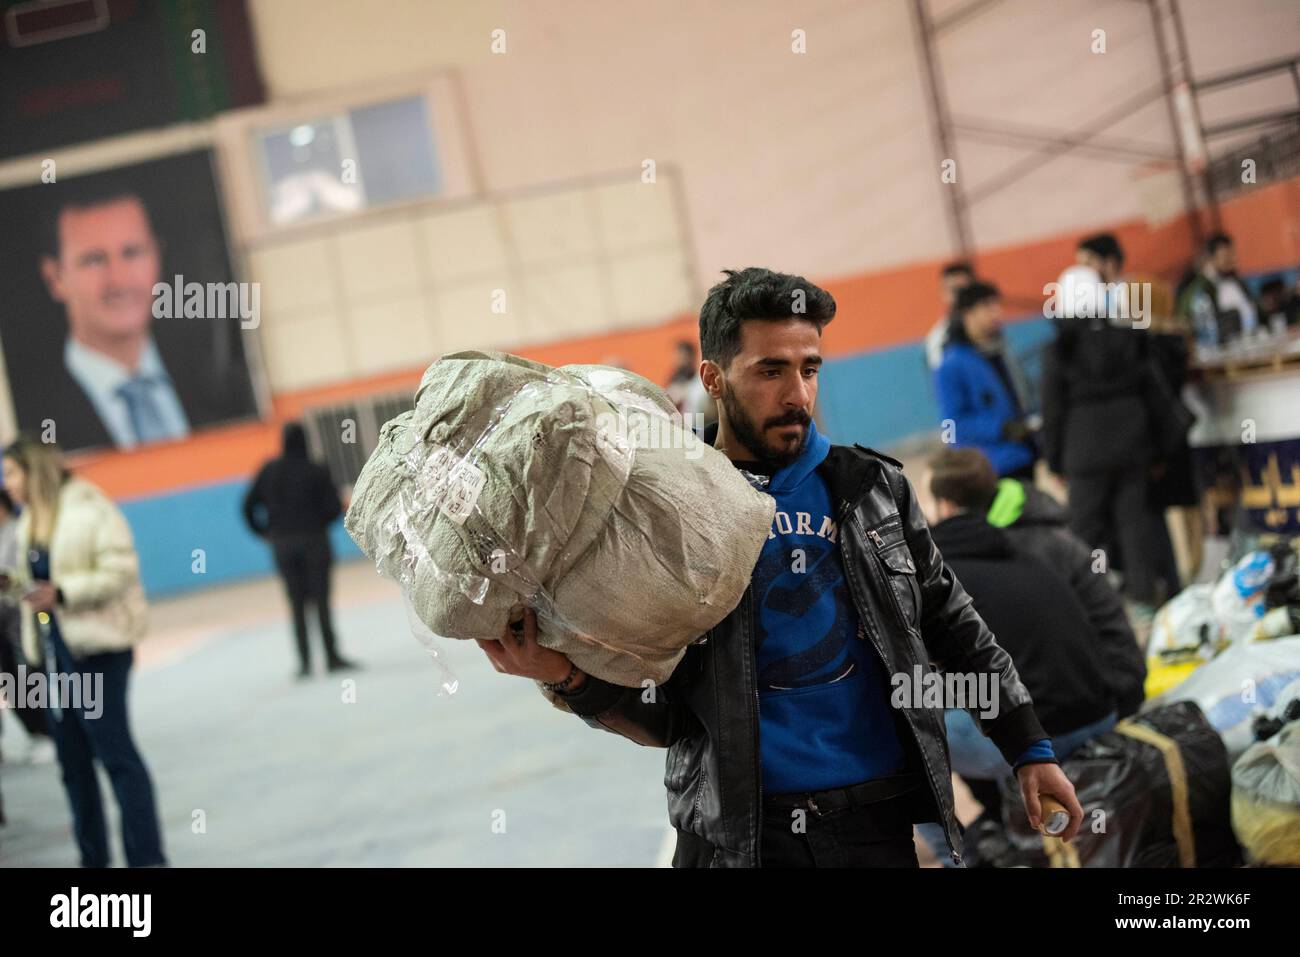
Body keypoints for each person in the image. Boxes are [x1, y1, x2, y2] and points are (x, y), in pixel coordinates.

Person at [476, 266, 1082, 868]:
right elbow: (667, 716)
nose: (797, 394)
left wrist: (1029, 746)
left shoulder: (872, 488)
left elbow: (955, 626)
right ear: (713, 378)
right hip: (740, 837)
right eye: (770, 371)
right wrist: (566, 677)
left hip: (876, 822)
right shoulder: (664, 513)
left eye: (809, 368)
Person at [915, 455, 1120, 863]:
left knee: (897, 732)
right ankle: (999, 819)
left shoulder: (938, 577)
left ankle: (964, 856)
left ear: (945, 506)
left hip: (1045, 734)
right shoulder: (1029, 552)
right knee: (968, 694)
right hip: (1101, 711)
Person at [1, 435, 166, 867]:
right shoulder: (27, 520)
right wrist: (13, 586)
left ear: (33, 470)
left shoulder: (88, 507)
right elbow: (34, 585)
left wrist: (65, 592)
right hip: (53, 658)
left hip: (97, 653)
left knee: (115, 756)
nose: (8, 483)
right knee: (73, 766)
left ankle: (147, 858)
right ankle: (92, 860)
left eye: (12, 473)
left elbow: (120, 571)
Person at [930, 449, 1145, 718]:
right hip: (1109, 685)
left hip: (1097, 696)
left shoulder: (1007, 552)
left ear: (947, 506)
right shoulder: (1043, 530)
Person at [34, 183, 250, 451]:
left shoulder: (224, 379)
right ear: (55, 277)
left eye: (132, 253)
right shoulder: (37, 420)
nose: (119, 280)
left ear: (157, 254)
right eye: (93, 260)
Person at [1042, 236, 1180, 612]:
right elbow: (1153, 393)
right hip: (1134, 444)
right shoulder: (1129, 337)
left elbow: (1052, 410)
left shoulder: (1059, 350)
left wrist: (1053, 459)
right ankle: (1143, 601)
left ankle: (1091, 606)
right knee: (1134, 525)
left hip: (1083, 452)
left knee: (1085, 531)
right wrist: (1160, 447)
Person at [243, 422, 356, 678]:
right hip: (314, 543)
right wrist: (317, 523)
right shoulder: (316, 470)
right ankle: (332, 657)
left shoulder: (269, 471)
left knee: (296, 603)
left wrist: (265, 533)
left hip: (283, 546)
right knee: (322, 601)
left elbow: (247, 506)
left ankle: (304, 663)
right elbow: (332, 509)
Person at [934, 281, 1037, 480]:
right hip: (989, 468)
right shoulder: (951, 365)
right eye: (987, 307)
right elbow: (952, 424)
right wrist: (1001, 428)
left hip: (1023, 456)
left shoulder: (1003, 353)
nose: (996, 313)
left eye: (997, 306)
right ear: (967, 315)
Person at [0, 487, 56, 764]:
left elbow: (27, 575)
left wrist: (9, 581)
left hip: (23, 616)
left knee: (29, 673)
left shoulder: (21, 532)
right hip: (3, 619)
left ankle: (47, 732)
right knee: (8, 679)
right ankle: (35, 732)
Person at [1177, 232, 1259, 345]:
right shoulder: (1202, 288)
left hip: (1252, 341)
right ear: (1211, 259)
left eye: (1232, 255)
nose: (1232, 260)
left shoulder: (1237, 283)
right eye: (1226, 257)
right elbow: (1187, 318)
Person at [923, 261, 975, 370]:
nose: (960, 296)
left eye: (965, 290)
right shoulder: (938, 337)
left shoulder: (990, 327)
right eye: (954, 291)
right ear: (943, 293)